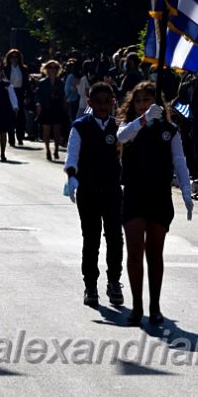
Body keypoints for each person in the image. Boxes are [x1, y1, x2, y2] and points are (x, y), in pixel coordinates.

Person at [117, 81, 194, 326]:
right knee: (135, 249)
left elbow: (179, 161)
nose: (143, 104)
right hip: (133, 194)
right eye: (139, 100)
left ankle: (155, 306)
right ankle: (137, 306)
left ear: (157, 102)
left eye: (148, 100)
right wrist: (143, 120)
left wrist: (186, 192)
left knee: (155, 252)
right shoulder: (130, 126)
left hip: (159, 196)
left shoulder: (169, 130)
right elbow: (122, 136)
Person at [64, 82, 124, 307]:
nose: (102, 106)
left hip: (112, 190)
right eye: (97, 102)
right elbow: (72, 153)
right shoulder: (81, 126)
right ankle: (90, 284)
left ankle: (114, 281)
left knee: (115, 238)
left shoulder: (120, 127)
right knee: (91, 239)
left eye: (106, 102)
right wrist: (71, 175)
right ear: (89, 103)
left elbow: (135, 136)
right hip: (88, 191)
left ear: (112, 103)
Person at [36, 60, 67, 161]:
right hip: (46, 107)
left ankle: (56, 149)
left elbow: (63, 96)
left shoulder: (61, 83)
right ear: (46, 69)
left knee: (57, 129)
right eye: (50, 68)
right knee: (46, 130)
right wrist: (38, 105)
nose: (53, 70)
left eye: (55, 68)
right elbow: (38, 96)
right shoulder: (42, 83)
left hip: (57, 107)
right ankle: (48, 150)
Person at [3, 49, 29, 146]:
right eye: (12, 57)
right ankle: (11, 138)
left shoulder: (23, 69)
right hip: (9, 92)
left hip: (20, 92)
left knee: (20, 116)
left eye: (16, 57)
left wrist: (27, 95)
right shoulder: (5, 68)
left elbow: (26, 83)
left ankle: (20, 136)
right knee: (10, 116)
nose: (14, 59)